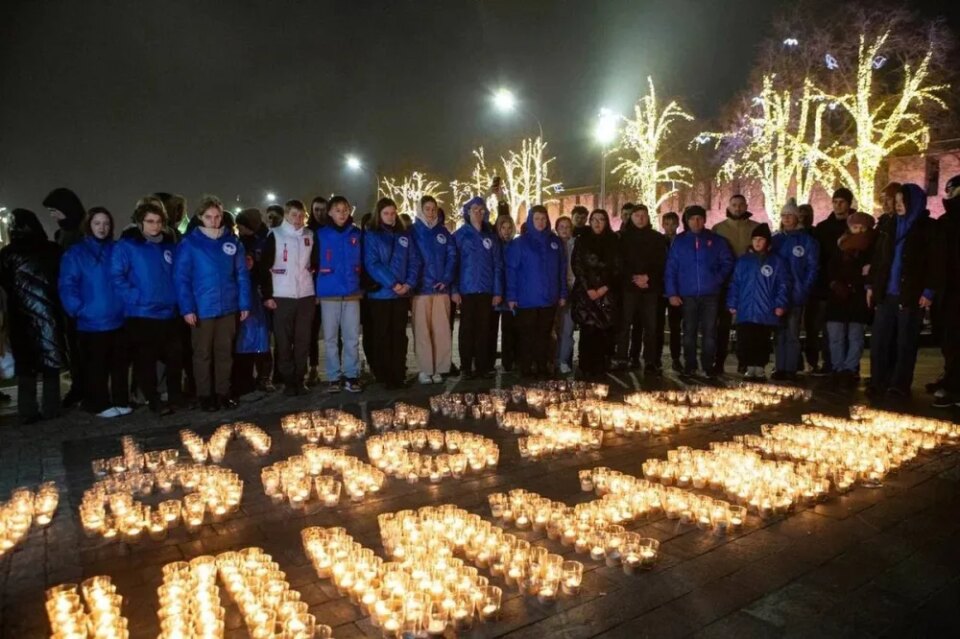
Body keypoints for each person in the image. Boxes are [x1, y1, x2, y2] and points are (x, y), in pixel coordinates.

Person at [174, 196, 250, 411]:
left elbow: (241, 274)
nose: (214, 221)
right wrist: (187, 308)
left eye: (217, 216)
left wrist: (244, 303)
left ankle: (222, 393)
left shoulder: (232, 242)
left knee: (224, 352)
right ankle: (205, 395)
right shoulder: (190, 243)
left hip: (228, 306)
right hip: (202, 308)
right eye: (209, 217)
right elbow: (181, 278)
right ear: (200, 218)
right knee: (203, 353)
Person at [111, 201, 183, 415]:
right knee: (147, 360)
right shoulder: (128, 246)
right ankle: (153, 399)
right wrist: (135, 296)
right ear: (140, 223)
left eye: (159, 222)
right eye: (150, 221)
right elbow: (116, 275)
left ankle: (175, 396)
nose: (155, 226)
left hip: (169, 311)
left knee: (175, 356)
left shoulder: (169, 245)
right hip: (142, 313)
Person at [867, 183, 937, 401]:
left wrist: (929, 291)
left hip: (910, 293)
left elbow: (935, 262)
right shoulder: (888, 225)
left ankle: (899, 384)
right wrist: (871, 285)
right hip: (886, 292)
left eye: (901, 202)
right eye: (895, 202)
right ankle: (878, 380)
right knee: (880, 339)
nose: (897, 206)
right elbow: (877, 257)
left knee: (905, 342)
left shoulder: (927, 228)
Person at [59, 207, 130, 418]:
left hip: (118, 316)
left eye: (106, 223)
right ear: (89, 225)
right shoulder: (76, 253)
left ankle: (120, 399)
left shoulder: (117, 249)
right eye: (97, 223)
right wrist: (78, 309)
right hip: (91, 319)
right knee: (95, 366)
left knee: (119, 364)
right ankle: (98, 403)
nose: (102, 227)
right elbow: (67, 283)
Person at [0, 209, 66, 424]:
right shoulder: (52, 250)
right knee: (50, 363)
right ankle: (51, 408)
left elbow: (5, 283)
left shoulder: (8, 254)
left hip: (20, 315)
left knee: (25, 366)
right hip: (49, 313)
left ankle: (27, 410)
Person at [665, 205, 735, 378]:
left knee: (710, 332)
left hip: (710, 294)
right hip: (687, 295)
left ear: (704, 220)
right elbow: (671, 268)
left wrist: (716, 280)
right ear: (687, 221)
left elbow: (727, 262)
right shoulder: (679, 242)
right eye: (692, 219)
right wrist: (672, 292)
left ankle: (707, 365)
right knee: (689, 331)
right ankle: (690, 364)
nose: (696, 222)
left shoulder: (717, 241)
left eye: (699, 218)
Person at [260, 199, 316, 396]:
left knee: (303, 340)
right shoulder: (275, 235)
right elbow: (264, 267)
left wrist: (313, 285)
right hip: (282, 295)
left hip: (305, 295)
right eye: (294, 215)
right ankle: (288, 381)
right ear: (286, 215)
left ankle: (300, 379)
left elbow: (314, 263)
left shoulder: (309, 235)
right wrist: (267, 295)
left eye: (301, 216)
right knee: (283, 342)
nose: (298, 220)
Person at [363, 197, 419, 389]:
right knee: (383, 335)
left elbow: (414, 260)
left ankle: (399, 373)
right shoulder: (372, 235)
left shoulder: (404, 235)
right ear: (378, 215)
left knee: (399, 336)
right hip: (381, 296)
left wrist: (408, 284)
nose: (390, 216)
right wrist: (393, 283)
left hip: (401, 295)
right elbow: (373, 263)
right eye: (386, 213)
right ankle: (384, 375)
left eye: (393, 212)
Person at [507, 205, 568, 378]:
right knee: (526, 336)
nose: (540, 222)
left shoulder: (554, 242)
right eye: (537, 219)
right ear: (530, 220)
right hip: (526, 299)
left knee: (544, 334)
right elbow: (511, 270)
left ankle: (542, 365)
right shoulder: (520, 243)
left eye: (543, 219)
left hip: (549, 298)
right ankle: (526, 366)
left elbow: (561, 269)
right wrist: (511, 296)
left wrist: (562, 293)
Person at [726, 224, 789, 380]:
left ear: (767, 242)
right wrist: (732, 303)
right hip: (746, 309)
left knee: (761, 340)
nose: (757, 243)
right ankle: (748, 366)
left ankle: (760, 367)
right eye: (755, 239)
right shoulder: (744, 261)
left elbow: (783, 284)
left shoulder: (776, 262)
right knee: (745, 340)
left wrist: (780, 304)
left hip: (765, 310)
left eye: (761, 240)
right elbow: (735, 283)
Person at [315, 195, 364, 393]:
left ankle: (351, 375)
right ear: (330, 213)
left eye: (345, 210)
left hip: (352, 293)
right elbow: (313, 262)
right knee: (330, 338)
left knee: (352, 337)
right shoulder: (320, 234)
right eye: (338, 210)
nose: (342, 214)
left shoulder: (357, 234)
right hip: (329, 293)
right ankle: (333, 376)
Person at [43, 186, 86, 408]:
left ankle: (84, 388)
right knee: (74, 349)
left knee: (83, 349)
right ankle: (79, 386)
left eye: (54, 210)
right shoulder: (63, 234)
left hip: (82, 302)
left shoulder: (79, 234)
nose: (53, 215)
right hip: (68, 301)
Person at [452, 196, 504, 379]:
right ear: (467, 212)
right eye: (474, 209)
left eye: (482, 210)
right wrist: (454, 289)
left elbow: (497, 265)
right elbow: (454, 264)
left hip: (486, 290)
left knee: (484, 329)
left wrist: (497, 291)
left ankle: (482, 365)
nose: (478, 213)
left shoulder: (490, 237)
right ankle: (466, 366)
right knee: (467, 329)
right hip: (466, 290)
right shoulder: (459, 236)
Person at [615, 204, 668, 374]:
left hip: (650, 288)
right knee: (625, 324)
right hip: (628, 288)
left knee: (650, 326)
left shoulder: (657, 238)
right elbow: (619, 262)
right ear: (631, 217)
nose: (640, 218)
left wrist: (648, 278)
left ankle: (650, 360)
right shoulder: (622, 238)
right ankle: (622, 358)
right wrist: (633, 278)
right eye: (636, 215)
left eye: (643, 215)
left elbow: (661, 262)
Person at [825, 211, 876, 387]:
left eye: (862, 228)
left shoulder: (871, 249)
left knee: (856, 336)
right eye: (855, 227)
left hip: (857, 299)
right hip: (838, 298)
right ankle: (838, 368)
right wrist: (836, 284)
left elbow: (869, 273)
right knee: (836, 336)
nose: (859, 231)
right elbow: (830, 268)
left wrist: (859, 281)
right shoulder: (840, 246)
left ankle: (850, 368)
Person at [808, 188, 856, 375]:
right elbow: (819, 257)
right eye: (835, 201)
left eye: (842, 202)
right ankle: (830, 363)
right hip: (827, 285)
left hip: (851, 285)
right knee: (829, 328)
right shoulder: (823, 228)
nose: (837, 205)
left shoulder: (855, 226)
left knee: (850, 330)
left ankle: (849, 366)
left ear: (849, 203)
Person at [771, 200, 819, 381]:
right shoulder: (776, 240)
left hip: (796, 293)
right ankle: (779, 366)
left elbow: (812, 267)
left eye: (790, 216)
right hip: (777, 295)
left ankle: (790, 367)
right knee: (779, 333)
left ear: (797, 217)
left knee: (792, 332)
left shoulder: (806, 241)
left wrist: (804, 288)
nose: (786, 219)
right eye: (784, 216)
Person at [410, 196, 457, 383]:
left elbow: (452, 257)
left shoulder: (444, 233)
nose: (430, 213)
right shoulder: (412, 232)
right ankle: (425, 368)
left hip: (441, 289)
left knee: (441, 330)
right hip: (421, 290)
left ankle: (439, 367)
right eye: (427, 209)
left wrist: (446, 279)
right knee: (422, 330)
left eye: (433, 209)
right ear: (421, 210)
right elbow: (411, 259)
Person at [712, 194, 758, 374]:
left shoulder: (755, 228)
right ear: (728, 206)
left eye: (740, 205)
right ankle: (719, 360)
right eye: (734, 205)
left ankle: (744, 360)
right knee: (723, 324)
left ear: (746, 206)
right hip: (726, 282)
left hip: (749, 283)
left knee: (745, 324)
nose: (737, 208)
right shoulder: (719, 229)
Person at [571, 209, 620, 377]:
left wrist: (604, 288)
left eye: (601, 219)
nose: (598, 223)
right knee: (588, 331)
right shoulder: (582, 240)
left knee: (604, 332)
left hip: (607, 293)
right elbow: (577, 265)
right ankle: (585, 366)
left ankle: (601, 367)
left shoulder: (614, 241)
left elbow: (617, 268)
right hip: (587, 293)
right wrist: (589, 288)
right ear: (589, 222)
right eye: (594, 219)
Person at [233, 208, 273, 397]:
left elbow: (266, 267)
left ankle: (264, 377)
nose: (240, 230)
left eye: (242, 227)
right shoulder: (240, 243)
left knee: (262, 337)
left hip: (261, 293)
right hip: (247, 293)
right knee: (246, 339)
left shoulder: (266, 240)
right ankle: (246, 380)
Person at [931, 175, 960, 408]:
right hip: (948, 290)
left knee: (953, 340)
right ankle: (951, 380)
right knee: (949, 340)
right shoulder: (945, 222)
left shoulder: (948, 222)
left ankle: (953, 386)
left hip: (952, 290)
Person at [489, 214, 518, 371]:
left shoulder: (515, 245)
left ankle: (509, 361)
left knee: (509, 329)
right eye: (503, 228)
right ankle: (489, 361)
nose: (506, 232)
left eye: (509, 228)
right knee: (491, 329)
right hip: (495, 292)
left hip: (510, 293)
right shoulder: (494, 245)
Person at [306, 196, 329, 385]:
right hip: (311, 289)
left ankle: (336, 369)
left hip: (330, 287)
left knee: (333, 332)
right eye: (316, 210)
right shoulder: (308, 232)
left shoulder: (331, 231)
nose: (320, 213)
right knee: (311, 332)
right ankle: (313, 367)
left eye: (323, 209)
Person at [657, 211, 683, 372]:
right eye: (666, 224)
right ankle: (656, 357)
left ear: (678, 224)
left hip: (676, 290)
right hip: (660, 289)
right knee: (657, 326)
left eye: (673, 223)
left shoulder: (681, 241)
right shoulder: (658, 241)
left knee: (675, 327)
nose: (670, 227)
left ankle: (675, 357)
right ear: (663, 225)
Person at [553, 216, 576, 374]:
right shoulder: (551, 245)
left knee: (567, 329)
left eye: (567, 227)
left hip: (571, 290)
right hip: (553, 291)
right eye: (561, 226)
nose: (564, 229)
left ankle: (563, 360)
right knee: (552, 329)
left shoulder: (577, 245)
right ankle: (551, 359)